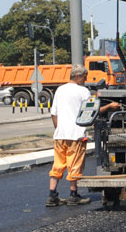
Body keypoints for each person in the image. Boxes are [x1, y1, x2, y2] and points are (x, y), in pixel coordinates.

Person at [46, 65, 120, 207]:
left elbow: (53, 113)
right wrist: (111, 106)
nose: (86, 79)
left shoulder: (60, 90)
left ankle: (52, 195)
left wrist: (59, 129)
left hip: (60, 135)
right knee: (74, 165)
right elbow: (93, 111)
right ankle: (74, 196)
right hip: (76, 135)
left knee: (58, 165)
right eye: (85, 77)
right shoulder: (83, 91)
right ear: (79, 76)